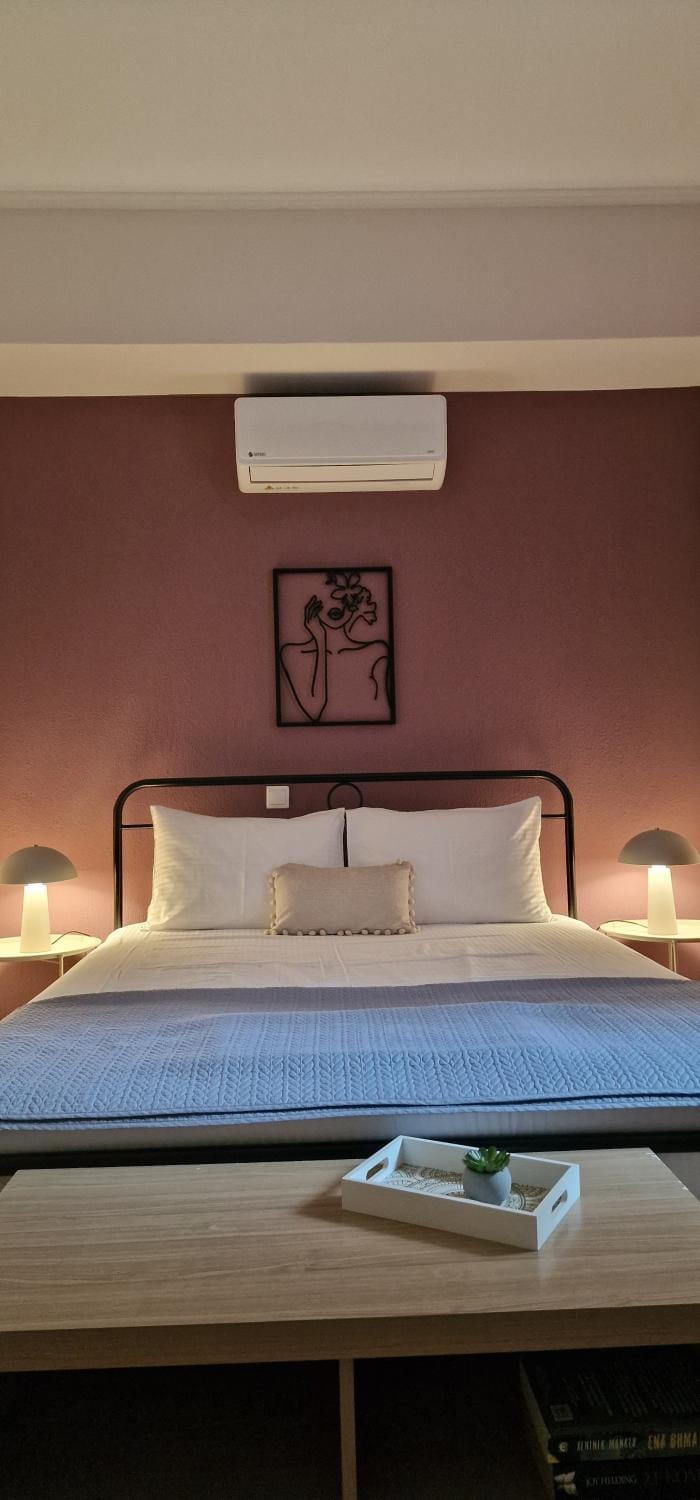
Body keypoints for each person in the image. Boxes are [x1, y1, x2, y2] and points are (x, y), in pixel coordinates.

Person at [279, 571, 392, 723]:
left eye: (342, 598)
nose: (334, 604)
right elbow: (314, 712)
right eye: (326, 596)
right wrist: (320, 639)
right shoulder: (292, 653)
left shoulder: (376, 651)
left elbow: (380, 711)